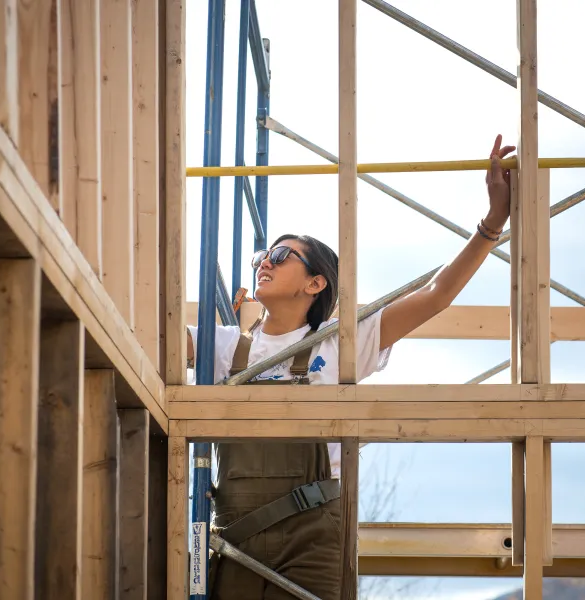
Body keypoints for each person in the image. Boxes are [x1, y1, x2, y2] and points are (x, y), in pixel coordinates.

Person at [186, 135, 515, 599]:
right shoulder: (225, 348)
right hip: (234, 531)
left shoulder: (341, 342)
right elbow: (154, 335)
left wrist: (493, 222)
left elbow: (437, 295)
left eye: (280, 256)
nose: (264, 263)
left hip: (312, 533)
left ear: (316, 283)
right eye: (261, 257)